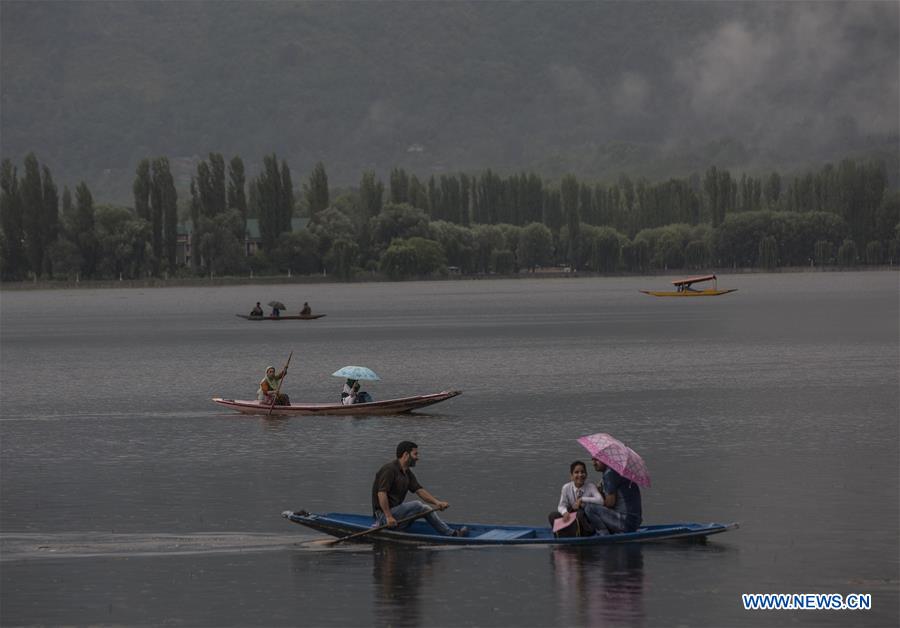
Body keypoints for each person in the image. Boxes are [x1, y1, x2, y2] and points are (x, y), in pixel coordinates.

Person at [371, 441, 467, 537]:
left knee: (425, 508)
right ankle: (390, 525)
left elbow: (419, 490)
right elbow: (381, 493)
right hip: (383, 518)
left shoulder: (407, 472)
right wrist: (388, 517)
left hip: (396, 517)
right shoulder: (389, 469)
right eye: (415, 454)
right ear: (406, 454)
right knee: (417, 505)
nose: (417, 458)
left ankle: (451, 534)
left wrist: (437, 503)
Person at [582, 458, 643, 534]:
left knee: (589, 508)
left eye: (597, 460)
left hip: (625, 522)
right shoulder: (618, 471)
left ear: (606, 460)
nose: (594, 463)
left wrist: (597, 496)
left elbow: (610, 503)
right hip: (634, 522)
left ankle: (604, 534)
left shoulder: (610, 474)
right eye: (593, 460)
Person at [548, 460, 603, 536]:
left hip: (584, 521)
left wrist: (582, 499)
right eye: (576, 472)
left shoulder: (591, 487)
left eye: (582, 472)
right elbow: (561, 506)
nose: (580, 475)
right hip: (571, 518)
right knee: (553, 515)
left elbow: (600, 501)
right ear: (571, 476)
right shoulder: (566, 488)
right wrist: (564, 512)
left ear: (586, 475)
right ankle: (567, 533)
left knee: (580, 514)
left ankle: (574, 534)